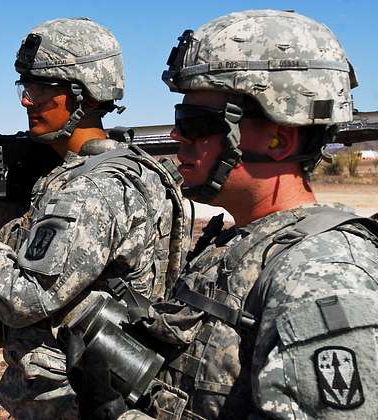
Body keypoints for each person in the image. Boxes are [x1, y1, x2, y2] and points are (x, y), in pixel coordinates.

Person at [68, 9, 378, 419]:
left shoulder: (319, 277)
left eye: (196, 123)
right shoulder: (236, 243)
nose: (176, 135)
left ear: (278, 139)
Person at [0, 17, 189, 419]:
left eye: (42, 89)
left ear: (87, 98)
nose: (27, 100)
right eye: (26, 87)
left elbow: (23, 298)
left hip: (77, 401)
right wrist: (13, 204)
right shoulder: (102, 170)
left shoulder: (92, 188)